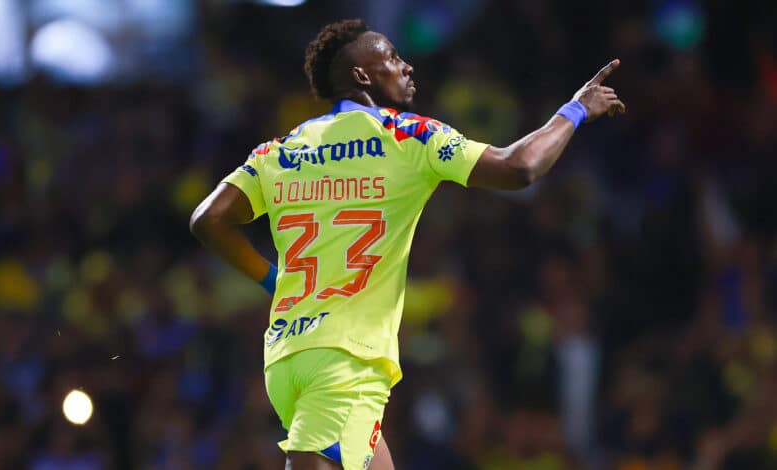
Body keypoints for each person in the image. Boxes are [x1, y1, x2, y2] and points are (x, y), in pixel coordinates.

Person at [190, 18, 625, 470]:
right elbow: (520, 168)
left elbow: (208, 220)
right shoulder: (408, 136)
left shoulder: (279, 150)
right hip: (346, 358)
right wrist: (575, 110)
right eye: (393, 58)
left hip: (287, 355)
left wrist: (272, 280)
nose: (407, 66)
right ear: (362, 75)